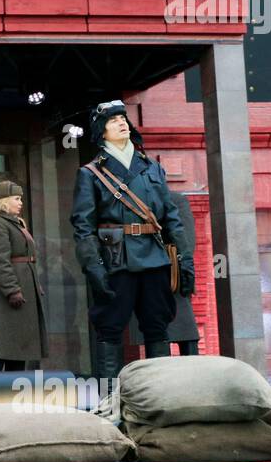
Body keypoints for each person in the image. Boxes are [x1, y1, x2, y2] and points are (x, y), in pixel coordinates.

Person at [71, 100, 195, 383]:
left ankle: (158, 395)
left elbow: (171, 218)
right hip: (116, 260)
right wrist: (93, 266)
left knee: (157, 327)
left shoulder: (152, 168)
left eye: (123, 118)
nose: (121, 123)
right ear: (101, 131)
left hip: (154, 257)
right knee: (110, 328)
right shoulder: (90, 173)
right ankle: (109, 399)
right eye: (113, 120)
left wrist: (185, 259)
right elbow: (83, 226)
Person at [0, 180, 47, 372]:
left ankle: (13, 386)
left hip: (23, 287)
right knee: (3, 345)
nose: (20, 203)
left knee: (18, 347)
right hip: (12, 291)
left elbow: (28, 257)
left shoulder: (15, 223)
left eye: (21, 199)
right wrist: (11, 290)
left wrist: (34, 284)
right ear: (4, 201)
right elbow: (0, 261)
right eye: (16, 199)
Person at [131, 190, 202, 356]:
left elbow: (187, 242)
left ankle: (192, 369)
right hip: (143, 275)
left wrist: (183, 269)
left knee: (185, 331)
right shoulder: (130, 201)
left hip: (172, 276)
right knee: (153, 334)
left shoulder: (175, 199)